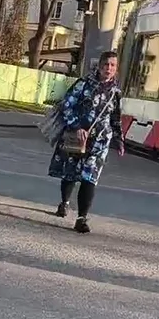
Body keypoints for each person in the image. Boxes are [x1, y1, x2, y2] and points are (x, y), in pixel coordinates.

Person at [49, 50, 124, 234]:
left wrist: (119, 139)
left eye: (112, 65)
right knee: (70, 173)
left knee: (90, 176)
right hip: (77, 136)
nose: (109, 68)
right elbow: (66, 105)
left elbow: (115, 117)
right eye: (106, 64)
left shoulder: (116, 92)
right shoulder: (83, 84)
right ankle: (65, 202)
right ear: (99, 66)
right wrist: (76, 126)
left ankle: (81, 218)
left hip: (100, 141)